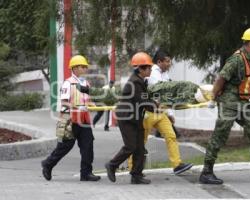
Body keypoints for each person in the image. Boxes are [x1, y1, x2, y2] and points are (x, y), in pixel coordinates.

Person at [199, 27, 250, 184]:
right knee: (220, 135)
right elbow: (221, 78)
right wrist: (212, 98)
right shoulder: (236, 59)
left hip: (242, 101)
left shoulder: (249, 58)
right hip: (230, 102)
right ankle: (206, 172)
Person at [128, 50, 193, 175]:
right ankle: (132, 167)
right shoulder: (153, 73)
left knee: (171, 136)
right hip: (149, 113)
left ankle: (177, 164)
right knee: (141, 142)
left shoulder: (165, 74)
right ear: (159, 62)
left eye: (170, 61)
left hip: (160, 112)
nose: (170, 64)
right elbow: (162, 92)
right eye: (167, 61)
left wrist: (170, 114)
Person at [41, 55, 100, 182]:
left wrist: (92, 105)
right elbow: (64, 103)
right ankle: (48, 164)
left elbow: (87, 99)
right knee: (65, 146)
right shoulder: (68, 83)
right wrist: (78, 107)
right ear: (75, 68)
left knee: (88, 146)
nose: (85, 69)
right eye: (82, 66)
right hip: (70, 119)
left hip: (84, 119)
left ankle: (86, 173)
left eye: (85, 67)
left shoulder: (85, 83)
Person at [105, 52, 157, 184]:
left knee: (140, 148)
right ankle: (112, 165)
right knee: (131, 147)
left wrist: (155, 103)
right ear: (140, 68)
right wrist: (156, 106)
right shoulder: (135, 83)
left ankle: (136, 175)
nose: (151, 70)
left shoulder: (140, 81)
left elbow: (145, 99)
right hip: (127, 119)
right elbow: (143, 101)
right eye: (148, 68)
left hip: (136, 118)